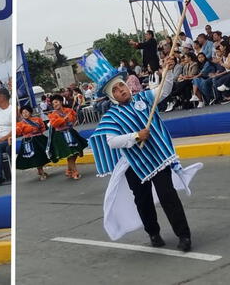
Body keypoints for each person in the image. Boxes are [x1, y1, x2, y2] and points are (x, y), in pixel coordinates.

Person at [81, 51, 196, 251]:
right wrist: (135, 136)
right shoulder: (111, 116)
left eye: (121, 86)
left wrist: (167, 70)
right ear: (111, 96)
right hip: (134, 164)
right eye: (115, 90)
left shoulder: (143, 98)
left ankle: (184, 235)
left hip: (157, 158)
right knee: (143, 201)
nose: (121, 90)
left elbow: (164, 90)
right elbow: (112, 141)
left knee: (168, 195)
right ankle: (153, 232)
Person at [47, 94, 87, 180]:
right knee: (70, 154)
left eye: (56, 102)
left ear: (61, 102)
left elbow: (74, 118)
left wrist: (70, 119)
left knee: (75, 152)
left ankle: (69, 169)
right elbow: (54, 124)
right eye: (53, 104)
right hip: (61, 135)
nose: (55, 104)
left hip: (71, 132)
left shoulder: (69, 110)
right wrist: (63, 119)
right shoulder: (52, 114)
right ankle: (74, 172)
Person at [16, 105, 54, 180]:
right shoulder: (20, 124)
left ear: (30, 112)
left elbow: (42, 128)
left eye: (26, 112)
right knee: (35, 156)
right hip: (29, 141)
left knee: (42, 154)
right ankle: (41, 171)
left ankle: (40, 170)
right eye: (23, 113)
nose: (25, 114)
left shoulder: (37, 119)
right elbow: (18, 132)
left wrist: (37, 132)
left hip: (39, 139)